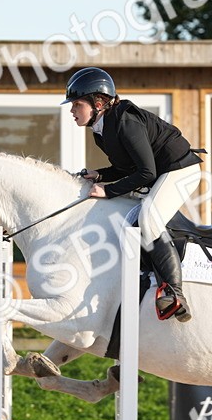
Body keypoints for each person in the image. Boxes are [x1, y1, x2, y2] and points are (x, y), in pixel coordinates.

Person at [63, 67, 203, 322]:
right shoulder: (102, 129)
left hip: (180, 171)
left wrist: (108, 190)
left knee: (148, 220)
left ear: (98, 102)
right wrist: (100, 175)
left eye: (76, 104)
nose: (72, 111)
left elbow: (146, 173)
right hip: (159, 173)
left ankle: (175, 293)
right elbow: (128, 168)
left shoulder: (126, 123)